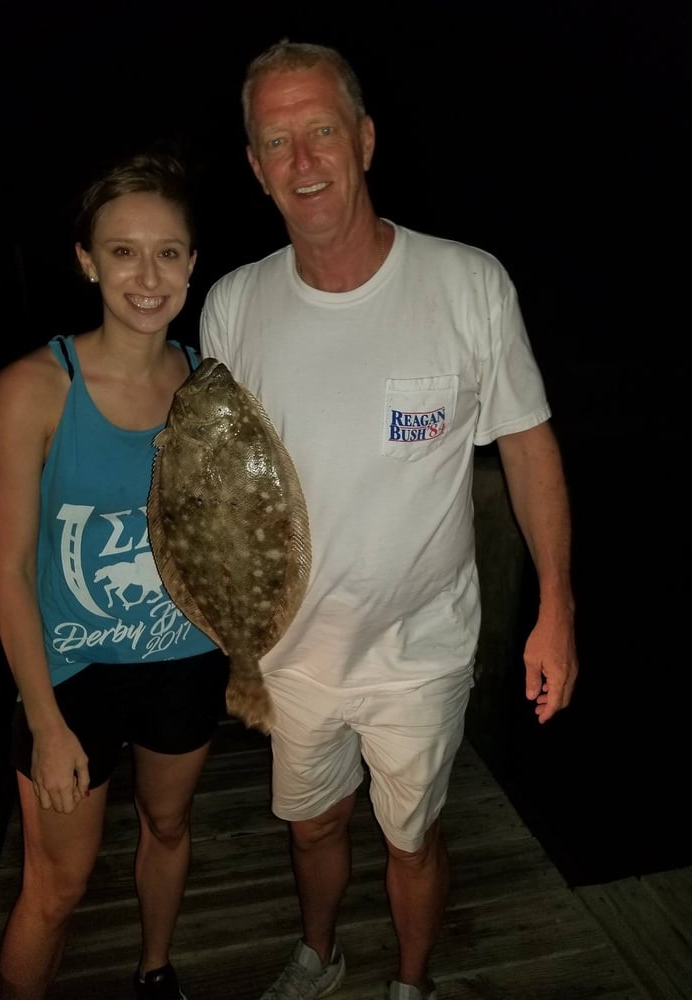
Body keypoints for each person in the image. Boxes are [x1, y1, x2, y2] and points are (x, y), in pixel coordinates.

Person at [200, 39, 579, 1000]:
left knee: (412, 836)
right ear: (254, 167)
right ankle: (319, 958)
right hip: (290, 655)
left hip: (422, 646)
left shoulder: (466, 284)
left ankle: (411, 984)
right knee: (313, 825)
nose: (303, 160)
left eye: (321, 130)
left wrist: (556, 609)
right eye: (275, 141)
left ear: (364, 140)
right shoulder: (233, 307)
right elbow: (215, 495)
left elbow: (527, 445)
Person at [0, 151, 228, 1000]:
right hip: (71, 674)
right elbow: (11, 570)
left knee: (169, 826)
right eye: (123, 251)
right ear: (87, 260)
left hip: (184, 660)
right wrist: (46, 723)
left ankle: (155, 971)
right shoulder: (32, 387)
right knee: (57, 887)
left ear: (193, 265)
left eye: (169, 252)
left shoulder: (209, 385)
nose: (147, 274)